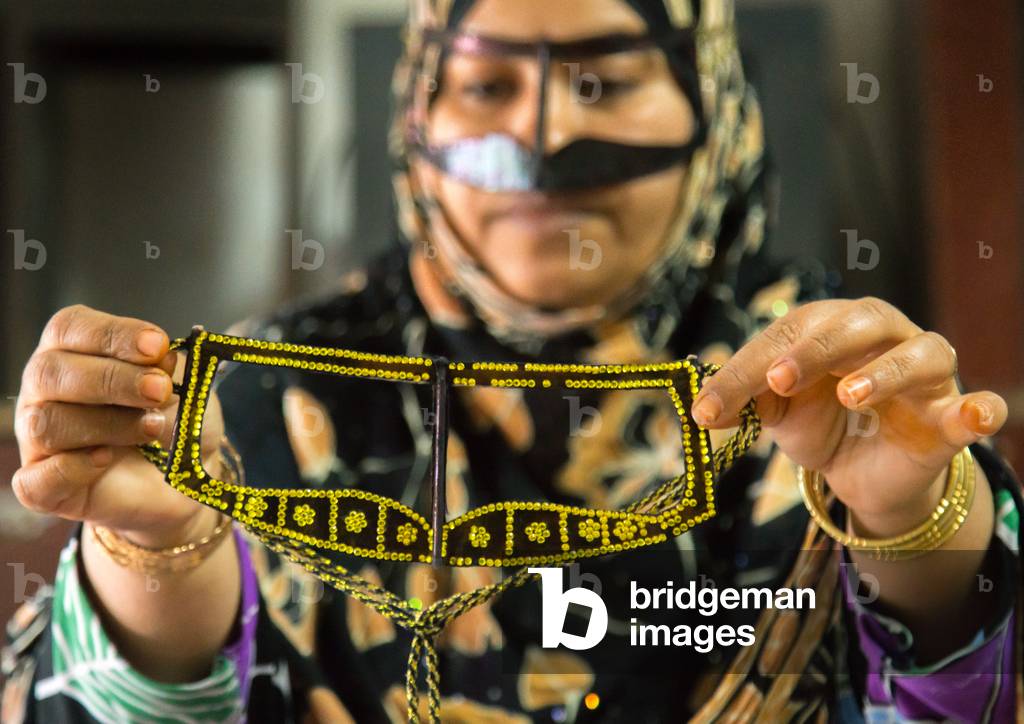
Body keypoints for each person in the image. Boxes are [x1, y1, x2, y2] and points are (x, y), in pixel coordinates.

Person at [4, 0, 1022, 722]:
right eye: (486, 83)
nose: (541, 141)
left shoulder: (839, 391)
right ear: (415, 122)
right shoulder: (262, 401)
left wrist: (911, 521)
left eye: (603, 81)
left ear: (710, 106)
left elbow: (963, 691)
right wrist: (152, 552)